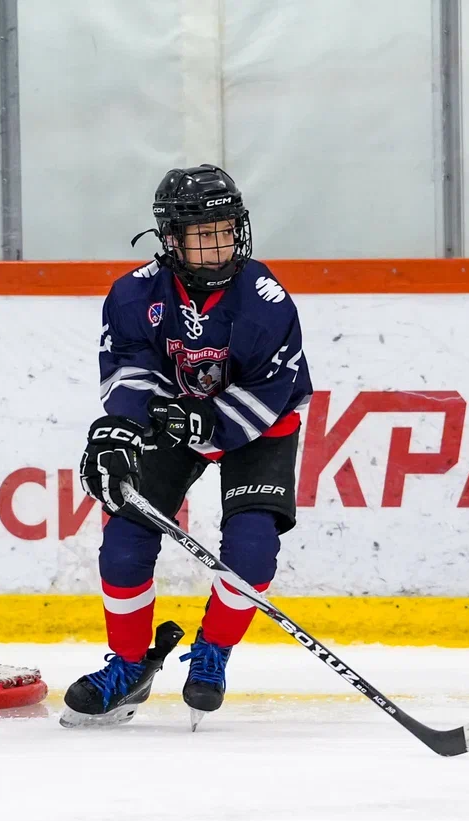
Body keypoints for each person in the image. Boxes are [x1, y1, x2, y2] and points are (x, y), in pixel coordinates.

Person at [63, 164, 313, 729]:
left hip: (257, 425)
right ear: (170, 240)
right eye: (204, 233)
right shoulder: (133, 294)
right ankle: (128, 667)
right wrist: (121, 426)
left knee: (252, 552)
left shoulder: (266, 302)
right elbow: (130, 367)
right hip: (171, 421)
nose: (219, 243)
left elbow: (270, 392)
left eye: (226, 229)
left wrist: (207, 422)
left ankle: (214, 650)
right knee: (123, 539)